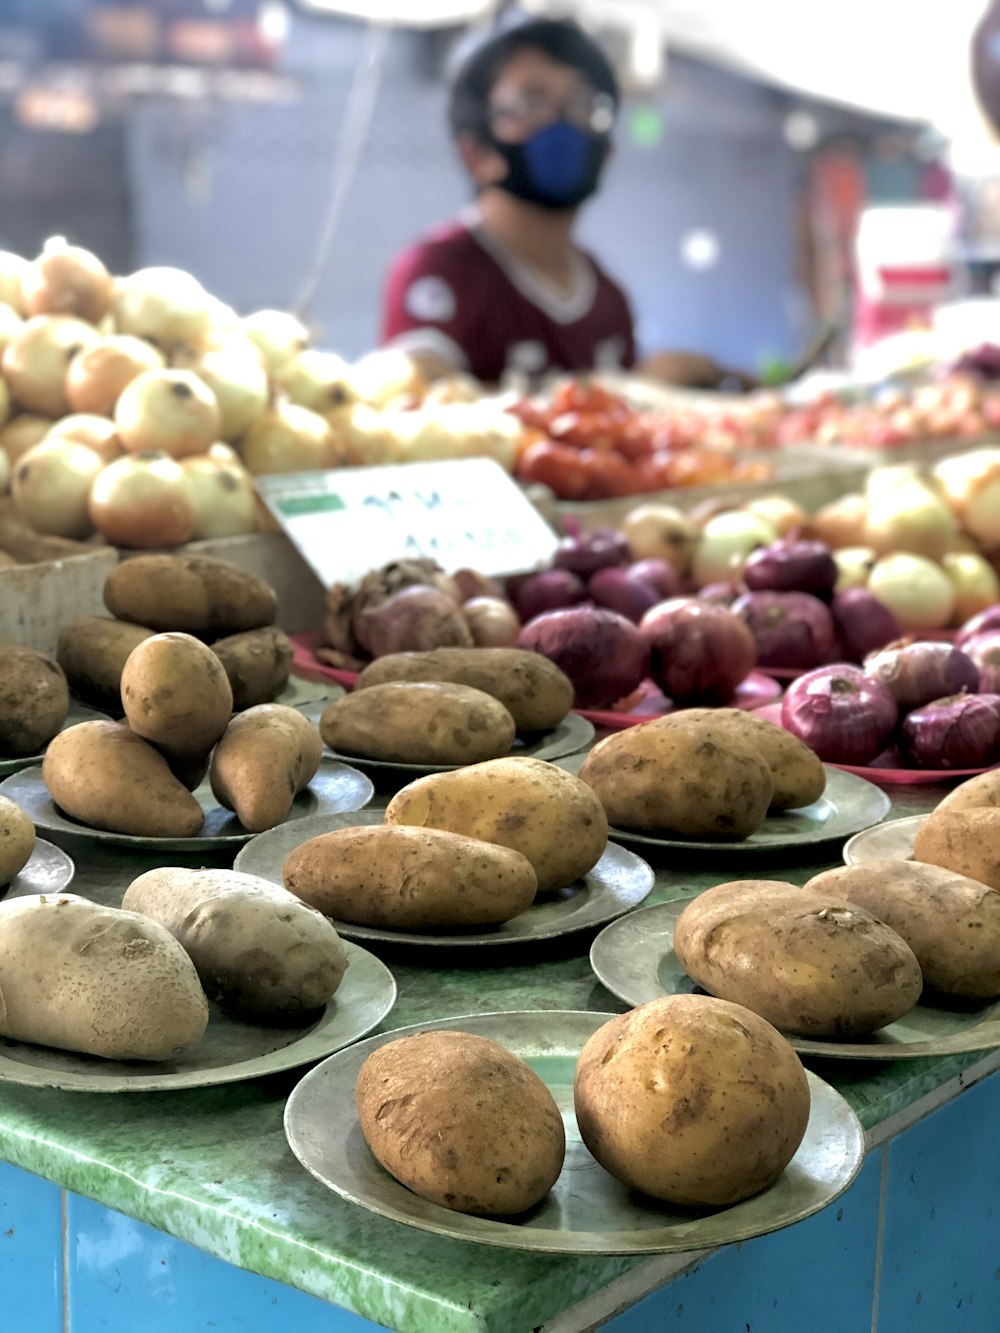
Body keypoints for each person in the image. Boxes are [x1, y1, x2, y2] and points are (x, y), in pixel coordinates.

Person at [379, 16, 753, 390]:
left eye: (583, 105)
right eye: (531, 102)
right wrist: (627, 392)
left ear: (607, 152)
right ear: (476, 153)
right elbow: (413, 395)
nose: (562, 125)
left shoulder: (608, 299)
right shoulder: (439, 270)